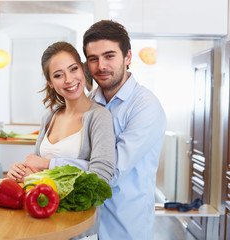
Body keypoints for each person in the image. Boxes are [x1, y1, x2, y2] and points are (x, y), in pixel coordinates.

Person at [81, 20, 167, 239]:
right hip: (87, 226)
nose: (101, 66)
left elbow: (111, 172)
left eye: (109, 56)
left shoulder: (145, 106)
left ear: (127, 57)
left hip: (125, 229)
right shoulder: (88, 103)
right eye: (93, 59)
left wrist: (51, 164)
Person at [7, 41, 116, 185]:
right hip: (43, 204)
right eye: (58, 75)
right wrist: (19, 171)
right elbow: (34, 165)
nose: (69, 79)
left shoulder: (99, 116)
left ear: (83, 69)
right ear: (50, 83)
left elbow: (102, 174)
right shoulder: (49, 117)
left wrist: (48, 165)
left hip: (77, 208)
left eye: (73, 69)